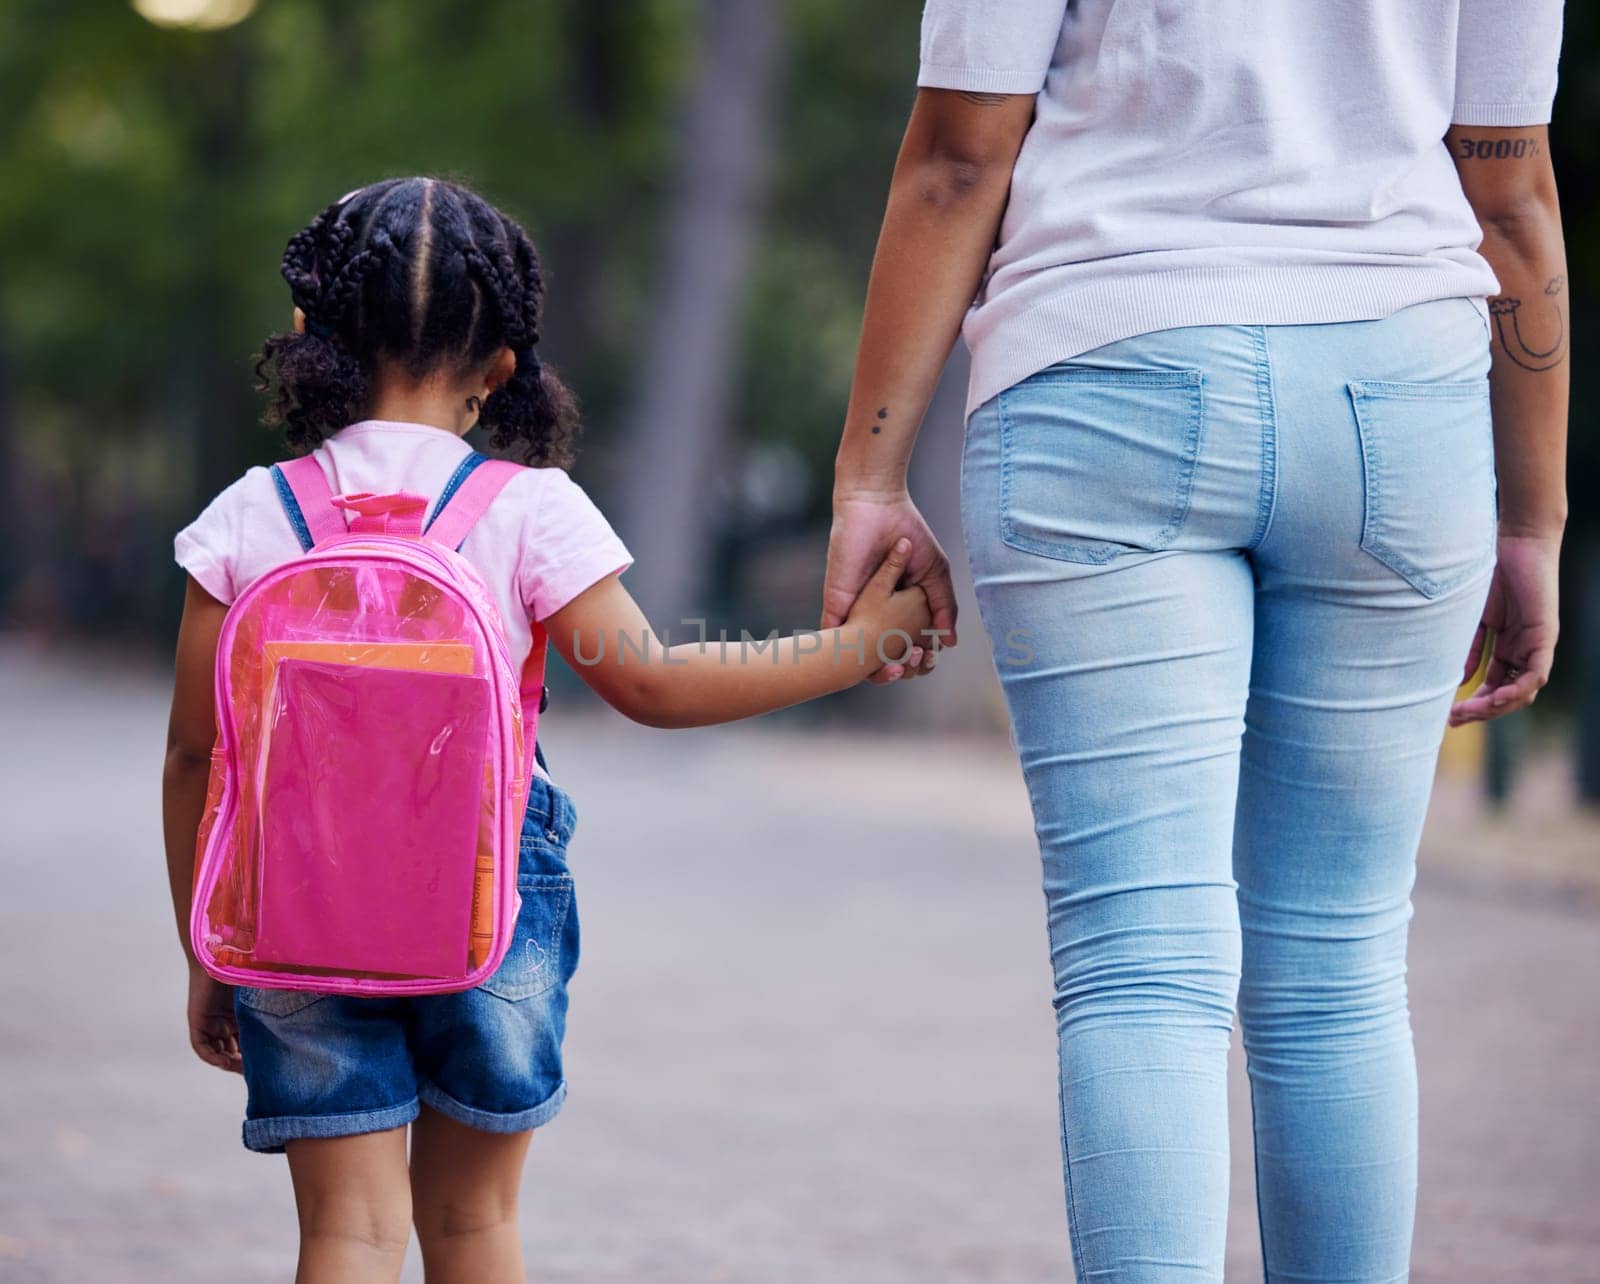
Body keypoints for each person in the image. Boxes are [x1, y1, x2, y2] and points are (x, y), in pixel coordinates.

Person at [822, 2, 1567, 1279]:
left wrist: (869, 479)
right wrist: (1532, 516)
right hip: (1400, 396)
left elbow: (959, 152)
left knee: (1138, 966)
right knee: (1336, 969)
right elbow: (1510, 185)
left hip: (1105, 367)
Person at [161, 176, 930, 1284]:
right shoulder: (525, 511)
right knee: (472, 1223)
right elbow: (652, 683)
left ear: (307, 337)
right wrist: (860, 647)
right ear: (501, 368)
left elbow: (198, 752)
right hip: (490, 900)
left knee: (347, 1231)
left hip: (289, 905)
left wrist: (206, 942)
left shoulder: (250, 516)